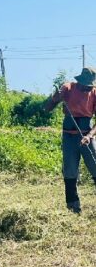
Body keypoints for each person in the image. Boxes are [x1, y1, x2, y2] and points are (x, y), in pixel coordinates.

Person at [45, 67, 96, 213]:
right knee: (70, 171)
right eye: (85, 85)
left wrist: (89, 136)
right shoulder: (68, 88)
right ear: (79, 82)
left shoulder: (94, 93)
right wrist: (55, 97)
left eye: (89, 86)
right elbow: (48, 108)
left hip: (87, 135)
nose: (87, 88)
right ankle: (73, 207)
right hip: (69, 136)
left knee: (95, 166)